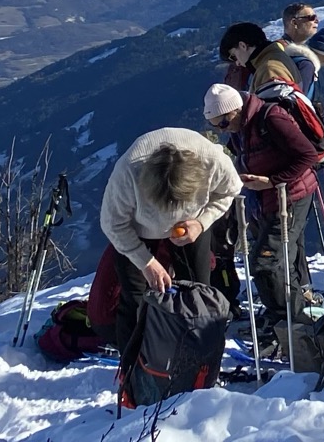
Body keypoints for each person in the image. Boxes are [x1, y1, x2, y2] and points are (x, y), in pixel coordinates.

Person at [98, 125, 242, 351]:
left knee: (197, 291)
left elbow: (230, 190)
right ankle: (134, 361)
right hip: (138, 230)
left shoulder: (212, 161)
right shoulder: (128, 173)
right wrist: (146, 262)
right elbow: (112, 223)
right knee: (134, 296)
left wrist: (201, 222)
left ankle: (195, 354)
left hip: (190, 228)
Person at [206, 82, 324, 336]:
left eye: (223, 124)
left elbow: (308, 155)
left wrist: (272, 181)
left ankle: (289, 325)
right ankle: (284, 321)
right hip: (268, 200)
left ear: (235, 111)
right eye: (216, 126)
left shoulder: (272, 118)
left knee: (266, 263)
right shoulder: (244, 126)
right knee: (277, 262)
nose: (222, 130)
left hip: (290, 197)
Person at [219, 22, 303, 94]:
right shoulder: (277, 57)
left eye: (233, 56)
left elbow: (277, 111)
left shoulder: (269, 70)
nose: (237, 63)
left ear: (243, 46)